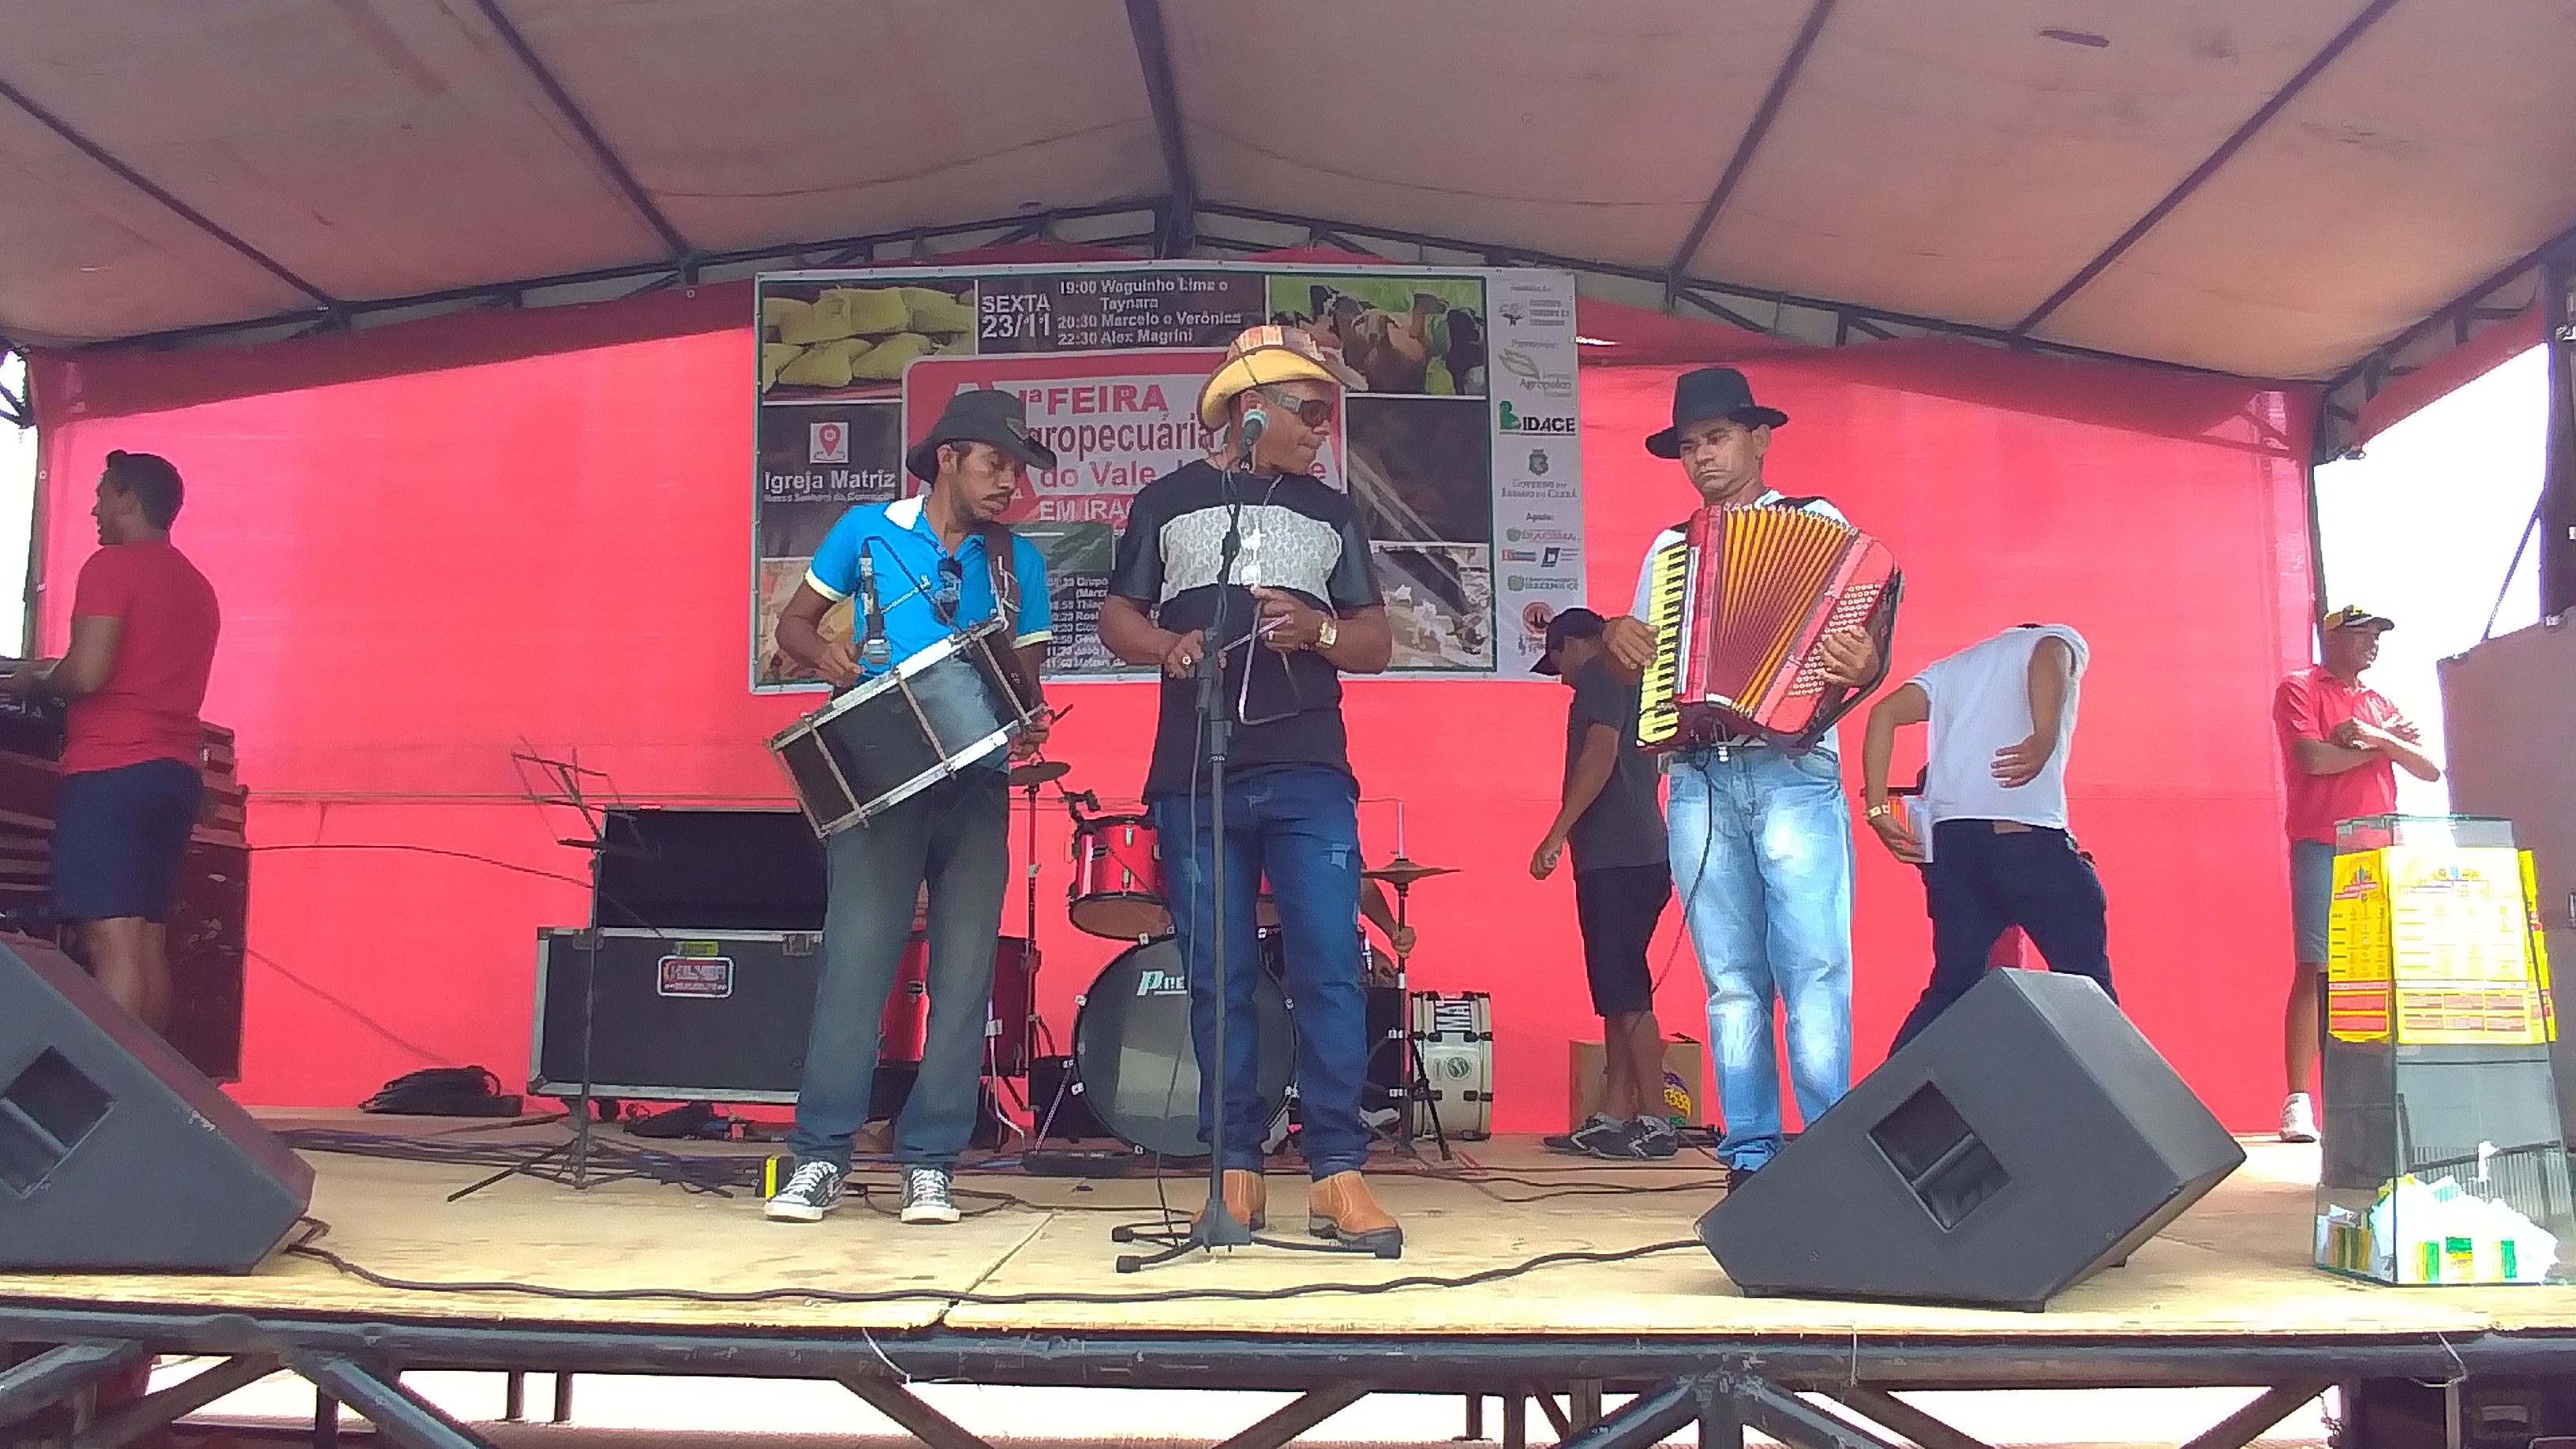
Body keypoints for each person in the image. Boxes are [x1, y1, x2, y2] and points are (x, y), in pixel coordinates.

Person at [1097, 324, 1403, 1254]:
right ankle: (1235, 1166)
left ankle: (1338, 1169)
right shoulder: (1166, 502)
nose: (1322, 428)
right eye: (1309, 411)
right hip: (1196, 772)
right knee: (1218, 977)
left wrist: (1317, 630)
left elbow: (1376, 642)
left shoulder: (1333, 512)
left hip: (1309, 770)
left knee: (1329, 966)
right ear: (1251, 410)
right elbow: (1118, 615)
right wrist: (1166, 645)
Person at [764, 390, 1055, 1226]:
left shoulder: (1018, 563)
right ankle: (819, 1157)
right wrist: (827, 654)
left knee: (963, 981)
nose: (1010, 484)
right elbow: (794, 626)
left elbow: (1024, 684)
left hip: (976, 785)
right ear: (949, 457)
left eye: (1018, 471)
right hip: (879, 782)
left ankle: (930, 1164)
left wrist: (1028, 720)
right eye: (996, 464)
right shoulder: (868, 531)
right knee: (855, 969)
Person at [1600, 367, 1883, 1189]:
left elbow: (1861, 648)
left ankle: (1831, 1152)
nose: (1702, 458)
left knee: (1815, 968)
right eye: (1689, 446)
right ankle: (1751, 1155)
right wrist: (1622, 644)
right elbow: (1640, 666)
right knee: (1731, 981)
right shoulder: (1669, 550)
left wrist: (1867, 662)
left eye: (1717, 439)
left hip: (1794, 768)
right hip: (1699, 774)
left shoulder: (1818, 522)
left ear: (1760, 439)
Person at [5, 451, 219, 1036]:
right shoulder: (196, 586)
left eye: (102, 493)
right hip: (173, 774)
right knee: (146, 938)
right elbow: (130, 666)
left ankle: (108, 1082)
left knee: (110, 937)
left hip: (112, 771)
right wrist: (53, 668)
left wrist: (36, 680)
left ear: (128, 498)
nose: (95, 508)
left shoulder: (112, 566)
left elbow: (88, 674)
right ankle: (152, 1082)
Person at [1860, 624, 2114, 1047]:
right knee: (2086, 984)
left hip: (1952, 846)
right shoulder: (2054, 638)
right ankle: (2104, 1080)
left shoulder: (1953, 669)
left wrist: (1876, 806)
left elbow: (1883, 713)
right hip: (2021, 834)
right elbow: (2051, 651)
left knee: (1952, 986)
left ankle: (1895, 1088)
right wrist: (2045, 735)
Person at [2275, 605, 2439, 1144]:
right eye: (2362, 634)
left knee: (2376, 972)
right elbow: (2313, 760)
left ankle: (2371, 1096)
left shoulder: (2378, 703)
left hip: (2380, 851)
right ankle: (2299, 1100)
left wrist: (2375, 736)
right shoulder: (2300, 687)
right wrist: (2380, 746)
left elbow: (2429, 769)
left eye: (2376, 636)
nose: (2372, 644)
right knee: (2314, 966)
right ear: (2331, 637)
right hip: (2323, 843)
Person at [1527, 608, 1678, 1159]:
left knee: (1628, 990)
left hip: (1618, 857)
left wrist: (1556, 833)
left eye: (1557, 662)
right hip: (1631, 855)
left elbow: (1600, 752)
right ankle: (1615, 1113)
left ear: (1573, 643)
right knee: (1617, 990)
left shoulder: (1601, 673)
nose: (1561, 677)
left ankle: (1658, 1120)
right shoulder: (1631, 679)